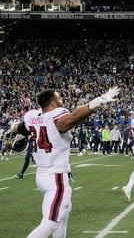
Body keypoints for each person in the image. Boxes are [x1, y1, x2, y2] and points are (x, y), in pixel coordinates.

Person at [8, 86, 120, 238]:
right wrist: (98, 101)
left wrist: (13, 130)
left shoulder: (32, 116)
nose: (62, 101)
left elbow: (20, 127)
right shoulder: (57, 115)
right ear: (53, 103)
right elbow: (70, 120)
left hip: (42, 176)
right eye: (59, 98)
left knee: (64, 211)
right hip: (55, 177)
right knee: (51, 222)